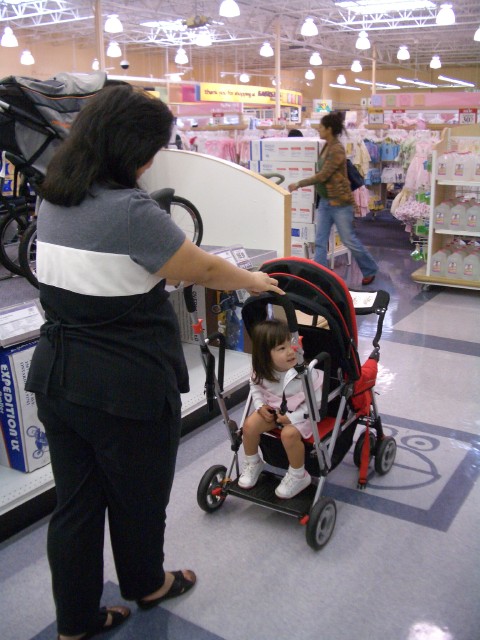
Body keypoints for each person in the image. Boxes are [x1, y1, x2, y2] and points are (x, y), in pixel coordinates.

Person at [25, 84, 283, 640]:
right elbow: (203, 270)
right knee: (138, 501)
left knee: (74, 507)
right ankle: (147, 584)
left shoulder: (53, 196)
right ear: (128, 149)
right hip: (125, 386)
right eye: (151, 149)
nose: (151, 161)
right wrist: (255, 279)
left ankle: (74, 622)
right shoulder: (130, 210)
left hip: (57, 377)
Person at [288, 111, 378, 286]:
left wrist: (299, 183)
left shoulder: (336, 149)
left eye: (321, 127)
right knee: (320, 241)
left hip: (340, 203)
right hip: (325, 201)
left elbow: (324, 175)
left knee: (348, 240)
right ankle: (319, 276)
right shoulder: (326, 146)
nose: (319, 130)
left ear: (329, 129)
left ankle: (370, 269)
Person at [238, 319, 323, 499]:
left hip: (303, 414)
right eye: (281, 349)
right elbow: (255, 388)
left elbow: (316, 404)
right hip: (275, 409)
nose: (290, 351)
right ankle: (253, 462)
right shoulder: (262, 370)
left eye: (291, 344)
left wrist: (292, 418)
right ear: (265, 355)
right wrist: (260, 406)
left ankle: (298, 475)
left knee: (288, 434)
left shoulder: (305, 373)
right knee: (249, 426)